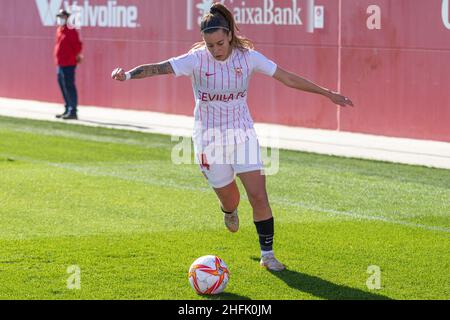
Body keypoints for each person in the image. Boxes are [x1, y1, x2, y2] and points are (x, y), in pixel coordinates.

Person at [111, 3, 353, 271]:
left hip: (242, 133)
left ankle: (268, 255)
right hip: (208, 139)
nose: (216, 50)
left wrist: (327, 92)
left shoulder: (247, 57)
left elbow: (287, 77)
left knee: (259, 196)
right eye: (210, 44)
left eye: (220, 43)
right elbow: (159, 68)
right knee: (231, 199)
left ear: (229, 35)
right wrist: (128, 75)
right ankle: (228, 211)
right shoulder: (196, 59)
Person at [54, 9, 83, 120]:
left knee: (69, 86)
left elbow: (77, 46)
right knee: (62, 86)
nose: (60, 19)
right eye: (59, 17)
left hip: (69, 63)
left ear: (67, 18)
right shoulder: (59, 30)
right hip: (60, 63)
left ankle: (73, 111)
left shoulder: (71, 31)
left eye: (62, 17)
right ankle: (67, 108)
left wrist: (77, 56)